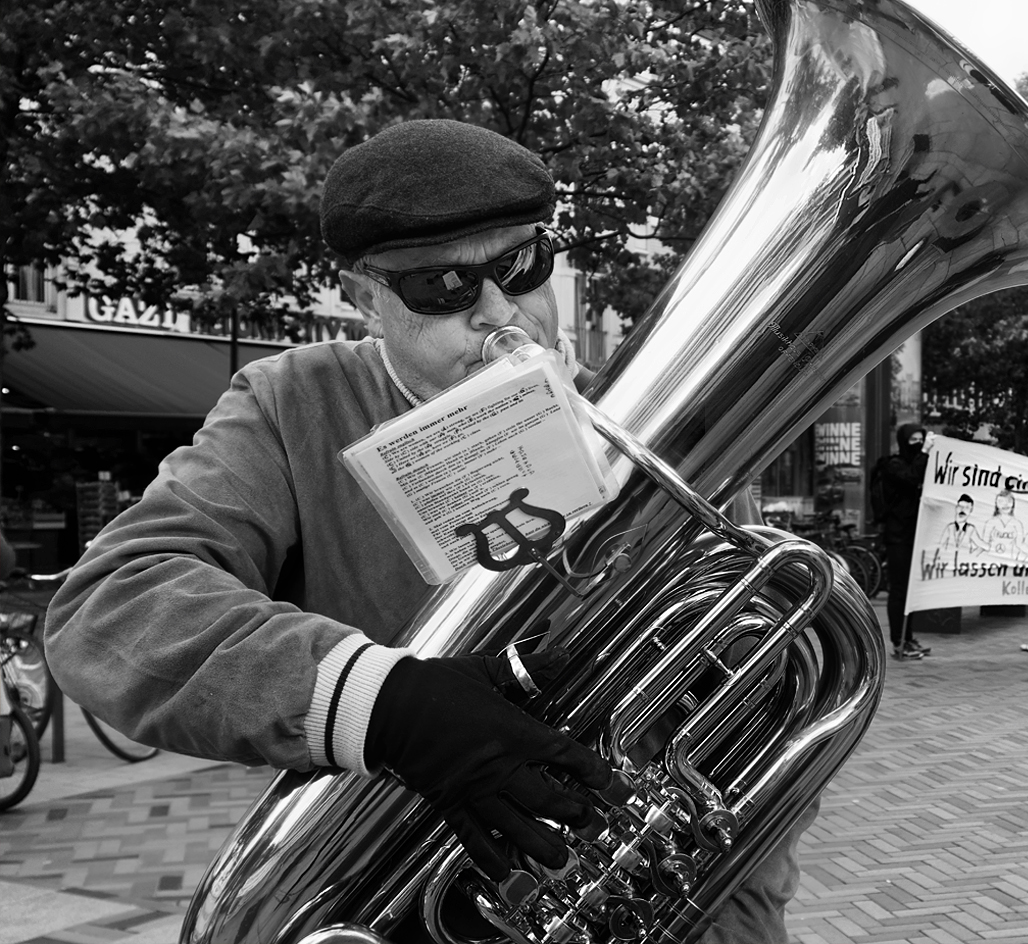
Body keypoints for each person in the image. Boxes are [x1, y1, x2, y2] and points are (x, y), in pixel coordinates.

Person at [45, 119, 805, 942]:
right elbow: (110, 608)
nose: (498, 311)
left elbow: (776, 692)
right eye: (440, 286)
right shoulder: (293, 401)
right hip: (396, 896)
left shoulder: (646, 418)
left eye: (521, 266)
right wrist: (382, 703)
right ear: (361, 295)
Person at [879, 423, 931, 660]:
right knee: (899, 590)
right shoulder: (894, 465)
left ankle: (908, 638)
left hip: (914, 536)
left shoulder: (914, 463)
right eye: (914, 440)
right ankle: (898, 641)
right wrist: (924, 454)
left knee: (910, 590)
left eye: (922, 439)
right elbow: (911, 478)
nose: (918, 444)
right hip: (898, 537)